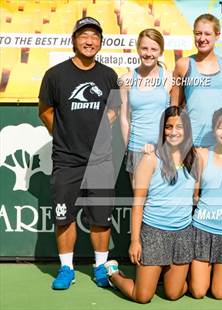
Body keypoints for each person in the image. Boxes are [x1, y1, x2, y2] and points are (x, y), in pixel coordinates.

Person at [38, 17, 120, 290]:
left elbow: (114, 110)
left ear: (100, 42)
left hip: (100, 161)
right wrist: (63, 135)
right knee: (64, 216)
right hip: (66, 160)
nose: (89, 41)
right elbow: (46, 111)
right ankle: (66, 268)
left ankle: (100, 266)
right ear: (74, 40)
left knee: (101, 217)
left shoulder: (108, 75)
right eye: (84, 36)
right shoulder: (55, 75)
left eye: (95, 37)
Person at [104, 106, 199, 303]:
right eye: (168, 127)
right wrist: (135, 241)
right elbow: (138, 205)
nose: (173, 132)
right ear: (162, 130)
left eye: (179, 127)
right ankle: (113, 274)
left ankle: (164, 273)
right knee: (143, 296)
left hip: (183, 234)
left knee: (173, 294)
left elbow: (195, 196)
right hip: (154, 232)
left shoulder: (195, 158)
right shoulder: (150, 159)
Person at [189, 107, 222, 299]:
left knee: (220, 293)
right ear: (214, 130)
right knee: (198, 292)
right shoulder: (202, 154)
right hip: (202, 229)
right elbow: (194, 194)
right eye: (221, 127)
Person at [119, 28, 171, 184]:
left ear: (161, 51)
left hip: (163, 150)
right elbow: (124, 118)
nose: (149, 53)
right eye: (144, 48)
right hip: (137, 149)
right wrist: (128, 148)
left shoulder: (169, 78)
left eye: (154, 49)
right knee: (139, 202)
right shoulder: (126, 80)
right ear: (138, 49)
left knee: (160, 201)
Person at [172, 13, 222, 147]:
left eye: (207, 34)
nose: (202, 38)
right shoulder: (183, 65)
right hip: (192, 140)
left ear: (217, 35)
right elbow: (174, 106)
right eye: (198, 33)